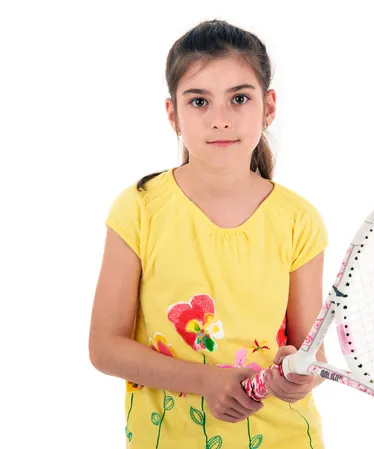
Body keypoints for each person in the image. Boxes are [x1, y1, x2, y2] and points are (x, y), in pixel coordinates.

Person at [88, 19, 329, 449]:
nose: (220, 120)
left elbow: (308, 351)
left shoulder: (299, 220)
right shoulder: (139, 209)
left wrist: (301, 375)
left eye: (239, 98)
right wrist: (206, 381)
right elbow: (105, 347)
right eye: (199, 101)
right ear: (172, 114)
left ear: (268, 107)